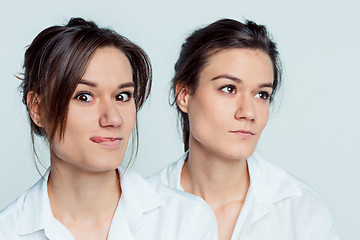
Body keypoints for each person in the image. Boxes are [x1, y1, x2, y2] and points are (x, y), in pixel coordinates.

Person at [0, 17, 218, 240]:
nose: (113, 118)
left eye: (122, 96)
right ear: (38, 109)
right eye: (84, 97)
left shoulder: (185, 220)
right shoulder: (7, 231)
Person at [150, 19, 340, 240]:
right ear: (184, 95)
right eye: (229, 88)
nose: (248, 113)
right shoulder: (138, 208)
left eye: (261, 95)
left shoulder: (304, 214)